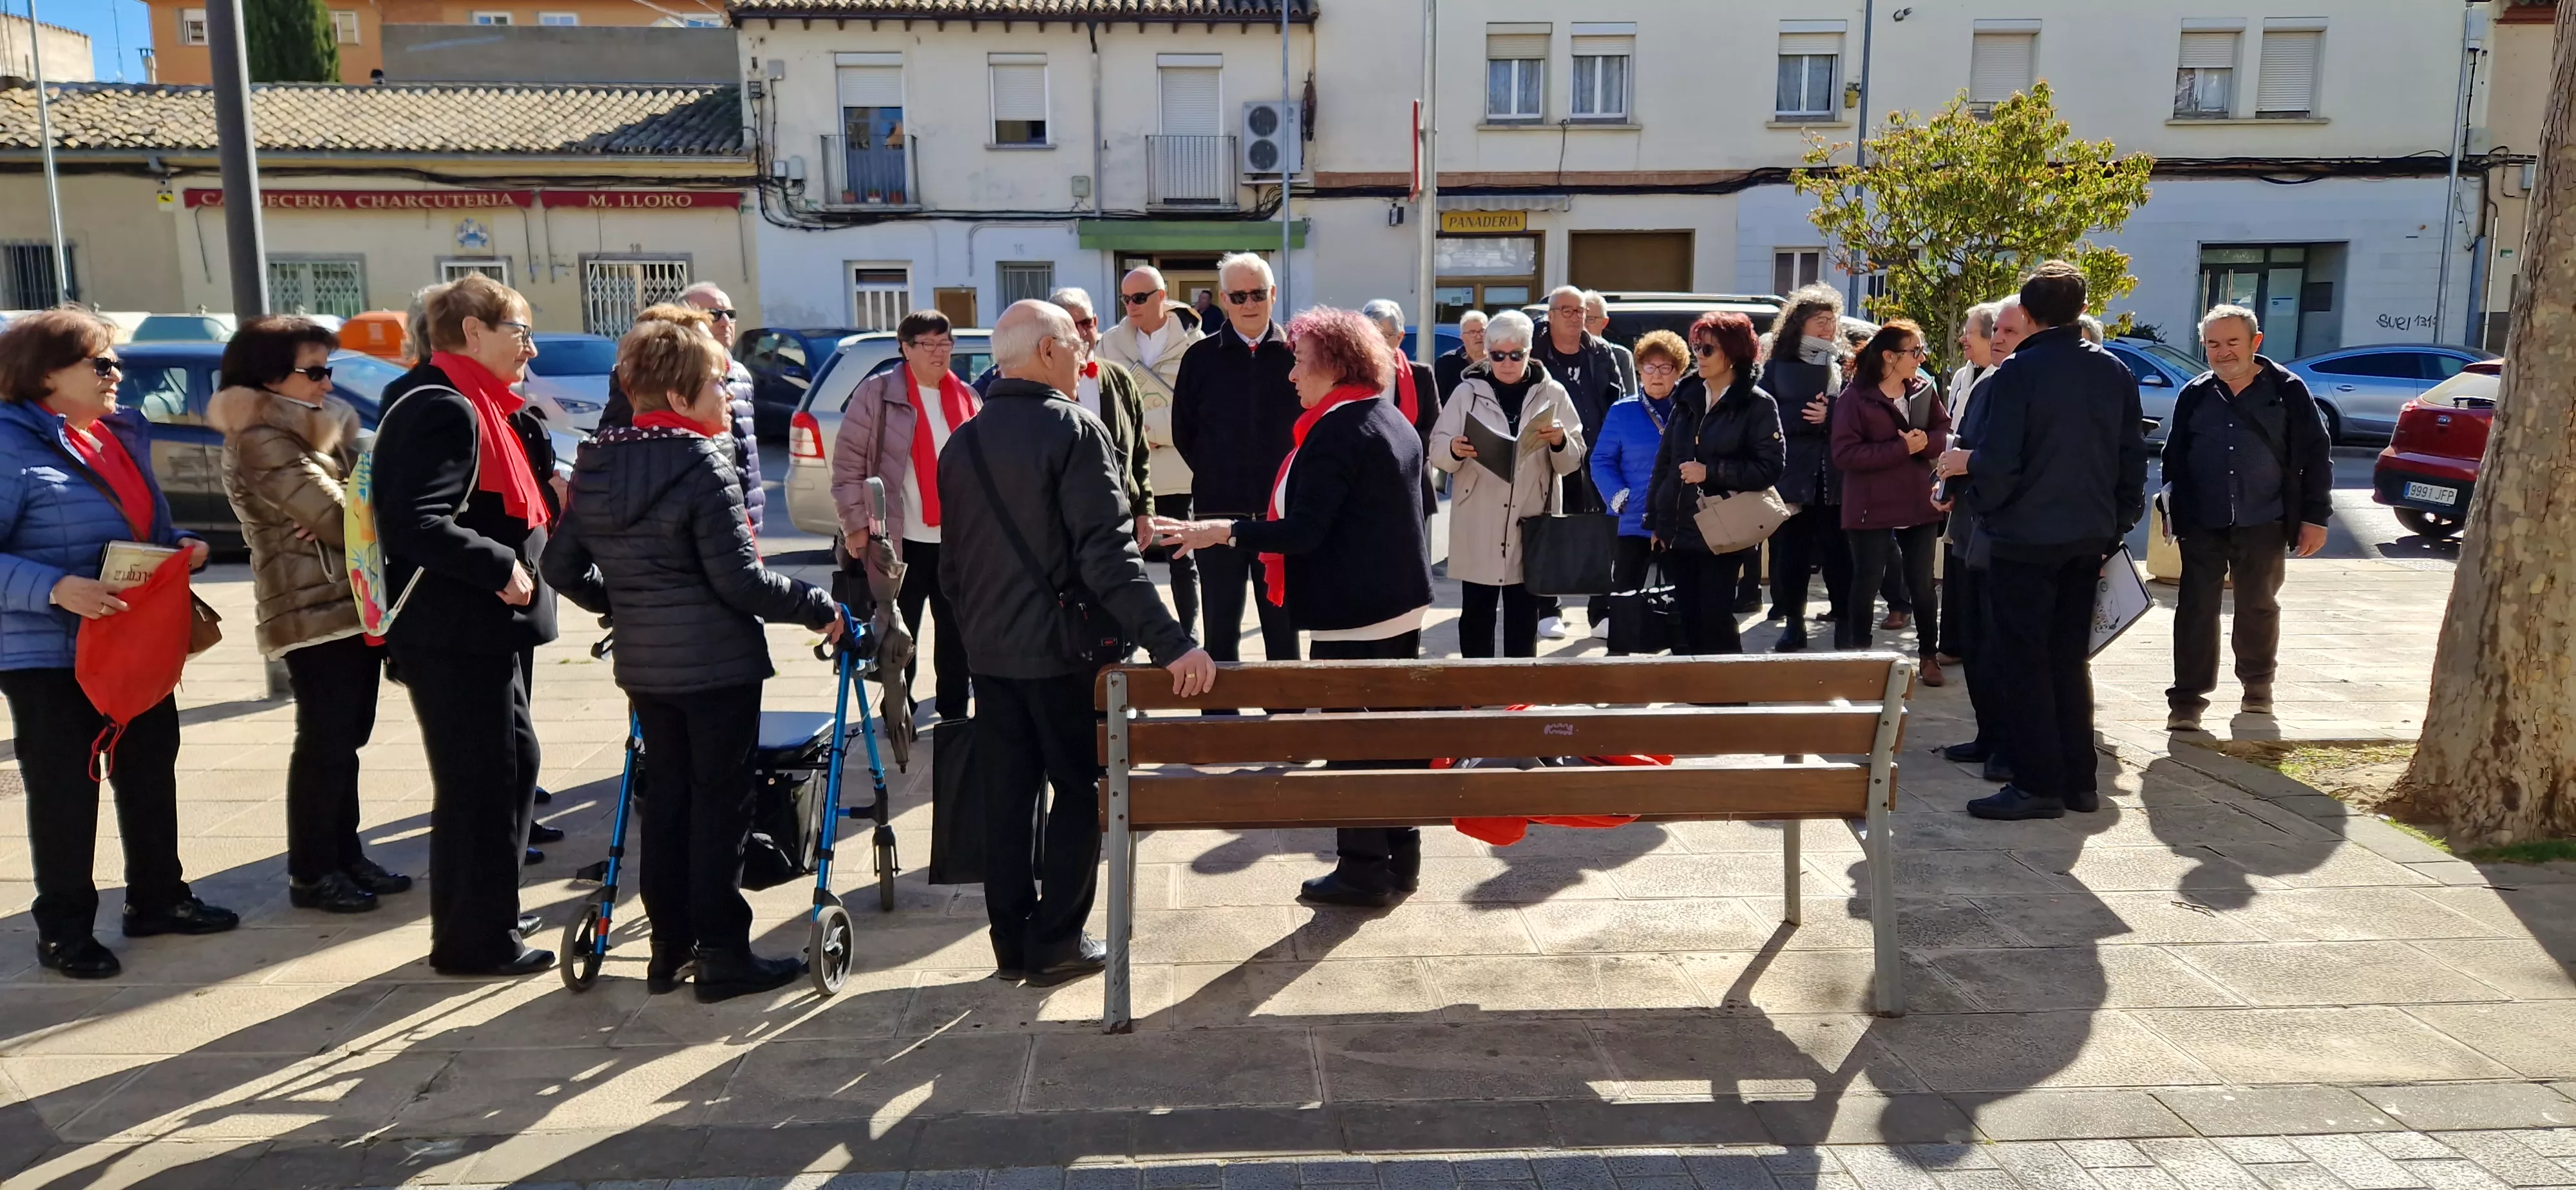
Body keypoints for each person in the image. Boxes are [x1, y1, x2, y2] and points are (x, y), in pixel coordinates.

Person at [543, 319, 838, 1001]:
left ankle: (668, 947)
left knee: (668, 802)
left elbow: (561, 566)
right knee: (721, 807)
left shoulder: (598, 459)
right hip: (716, 665)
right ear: (679, 396)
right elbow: (743, 583)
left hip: (646, 666)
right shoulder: (702, 462)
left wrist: (625, 605)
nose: (727, 397)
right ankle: (723, 954)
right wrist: (817, 605)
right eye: (715, 384)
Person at [940, 300, 1216, 987]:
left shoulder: (962, 442)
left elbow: (953, 570)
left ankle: (1012, 944)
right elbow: (1109, 559)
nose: (1083, 356)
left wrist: (978, 638)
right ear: (1044, 352)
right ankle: (1057, 941)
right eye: (1072, 344)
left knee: (1008, 800)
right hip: (1065, 655)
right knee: (1080, 789)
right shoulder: (1074, 429)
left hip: (992, 654)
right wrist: (1174, 644)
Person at [1157, 307, 1432, 907]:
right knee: (1393, 739)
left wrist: (1222, 531)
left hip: (1357, 610)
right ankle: (1401, 856)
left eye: (1300, 362)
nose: (1291, 375)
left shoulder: (1340, 428)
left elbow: (1304, 531)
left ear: (1334, 366)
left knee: (1353, 746)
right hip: (1397, 603)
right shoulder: (1384, 414)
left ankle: (1363, 870)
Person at [0, 310, 233, 979]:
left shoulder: (113, 436)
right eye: (101, 363)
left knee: (150, 769)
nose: (117, 374)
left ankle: (159, 899)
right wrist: (54, 588)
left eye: (116, 362)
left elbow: (144, 529)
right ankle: (65, 931)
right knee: (66, 792)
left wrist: (179, 548)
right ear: (47, 374)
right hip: (49, 653)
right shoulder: (9, 443)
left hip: (131, 643)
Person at [374, 273, 560, 976]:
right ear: (474, 332)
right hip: (455, 630)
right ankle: (473, 940)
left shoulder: (468, 398)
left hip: (476, 630)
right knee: (479, 782)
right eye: (521, 332)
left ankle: (487, 911)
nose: (530, 349)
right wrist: (499, 564)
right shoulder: (444, 405)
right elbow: (415, 521)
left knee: (510, 765)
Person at [209, 316, 409, 915]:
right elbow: (341, 521)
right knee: (325, 741)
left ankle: (346, 855)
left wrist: (356, 500)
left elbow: (362, 501)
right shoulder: (261, 436)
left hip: (348, 600)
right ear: (270, 377)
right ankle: (313, 871)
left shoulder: (315, 430)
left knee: (347, 738)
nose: (328, 383)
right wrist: (355, 503)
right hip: (309, 606)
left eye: (329, 369)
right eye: (315, 371)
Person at [1938, 262, 2149, 821]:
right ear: (2083, 311)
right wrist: (2115, 526)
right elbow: (2132, 459)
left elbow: (2000, 461)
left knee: (2025, 663)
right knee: (2068, 660)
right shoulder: (2113, 369)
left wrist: (1979, 490)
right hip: (2088, 535)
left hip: (2024, 537)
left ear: (2028, 316)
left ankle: (2037, 784)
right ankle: (2079, 782)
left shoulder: (2018, 372)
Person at [2161, 304, 2334, 733]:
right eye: (2213, 344)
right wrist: (2173, 511)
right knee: (2195, 609)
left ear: (2255, 342)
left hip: (2266, 518)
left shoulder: (2288, 390)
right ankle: (2187, 702)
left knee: (2258, 606)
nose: (2223, 352)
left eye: (2232, 342)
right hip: (2202, 520)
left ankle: (2257, 689)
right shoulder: (2195, 394)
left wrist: (2315, 517)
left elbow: (2317, 455)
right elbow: (2173, 456)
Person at [831, 310, 980, 722]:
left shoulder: (968, 396)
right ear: (906, 348)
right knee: (899, 629)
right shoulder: (877, 393)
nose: (938, 352)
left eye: (945, 343)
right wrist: (856, 527)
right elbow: (848, 466)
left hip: (957, 539)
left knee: (958, 631)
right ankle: (899, 711)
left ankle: (954, 714)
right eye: (928, 344)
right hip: (898, 539)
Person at [1170, 251, 1302, 666]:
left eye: (1257, 294)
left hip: (1281, 518)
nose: (1249, 304)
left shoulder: (1299, 355)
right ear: (1224, 299)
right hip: (1216, 513)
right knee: (1221, 632)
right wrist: (1218, 473)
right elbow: (1183, 432)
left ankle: (1286, 705)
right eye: (1238, 296)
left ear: (1273, 295)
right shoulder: (1200, 357)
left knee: (1284, 632)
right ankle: (1221, 706)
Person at [1428, 309, 1582, 659]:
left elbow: (1573, 460)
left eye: (1516, 355)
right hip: (1479, 517)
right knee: (1476, 615)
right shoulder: (1466, 393)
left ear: (1530, 352)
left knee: (1523, 617)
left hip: (1531, 520)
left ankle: (1520, 686)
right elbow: (1437, 449)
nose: (1507, 363)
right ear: (1487, 353)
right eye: (1497, 355)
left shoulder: (1553, 392)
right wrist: (1454, 448)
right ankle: (1475, 686)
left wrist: (1560, 441)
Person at [1641, 312, 1783, 656]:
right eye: (1697, 348)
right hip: (1680, 528)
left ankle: (1727, 686)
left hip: (1723, 528)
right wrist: (1656, 520)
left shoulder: (1758, 405)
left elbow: (1770, 469)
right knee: (1688, 619)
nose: (1699, 356)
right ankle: (1695, 685)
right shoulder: (1687, 396)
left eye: (1708, 349)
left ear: (1733, 353)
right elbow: (1665, 461)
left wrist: (1711, 472)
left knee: (1716, 618)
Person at [1937, 296, 2027, 783]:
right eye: (1993, 332)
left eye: (2006, 333)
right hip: (1969, 528)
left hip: (2001, 532)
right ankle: (1988, 735)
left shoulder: (2020, 385)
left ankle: (2007, 747)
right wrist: (1949, 482)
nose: (1996, 341)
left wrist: (1966, 463)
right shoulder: (1983, 380)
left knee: (1997, 643)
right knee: (1973, 638)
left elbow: (2004, 457)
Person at [1831, 320, 1950, 683]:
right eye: (1914, 351)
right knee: (1867, 580)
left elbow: (1943, 431)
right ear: (1889, 356)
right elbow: (1845, 454)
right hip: (1871, 503)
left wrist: (1925, 443)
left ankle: (1928, 656)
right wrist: (1902, 448)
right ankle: (1860, 657)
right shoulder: (1855, 398)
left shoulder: (1923, 389)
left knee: (1922, 583)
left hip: (1918, 499)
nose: (1921, 358)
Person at [1099, 266, 1208, 638]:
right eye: (1126, 299)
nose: (1131, 305)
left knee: (1182, 556)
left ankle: (1189, 634)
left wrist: (1153, 429)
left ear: (1162, 297)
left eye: (1140, 298)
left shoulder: (1194, 344)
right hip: (1131, 471)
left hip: (1178, 467)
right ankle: (1134, 639)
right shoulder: (1109, 343)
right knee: (1132, 560)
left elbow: (1202, 408)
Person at [1762, 285, 1853, 650]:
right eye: (1821, 321)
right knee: (1792, 554)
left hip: (1834, 475)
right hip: (1794, 475)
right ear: (1799, 324)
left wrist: (1832, 415)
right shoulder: (1776, 366)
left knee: (1839, 552)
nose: (1829, 328)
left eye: (1833, 321)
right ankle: (1794, 624)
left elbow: (1861, 411)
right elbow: (1762, 413)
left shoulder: (1844, 366)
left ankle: (1844, 621)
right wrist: (1802, 417)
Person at [1530, 286, 1620, 639]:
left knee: (1600, 533)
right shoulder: (1534, 352)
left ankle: (1601, 612)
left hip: (1596, 454)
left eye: (1579, 311)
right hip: (1548, 452)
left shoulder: (1601, 351)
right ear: (1550, 316)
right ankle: (1547, 609)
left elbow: (1615, 400)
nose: (1574, 318)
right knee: (1549, 529)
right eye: (1565, 311)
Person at [1590, 329, 1686, 653]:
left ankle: (1680, 653)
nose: (1657, 375)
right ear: (1639, 369)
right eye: (1649, 367)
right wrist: (1619, 496)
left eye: (1666, 368)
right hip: (1632, 517)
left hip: (1678, 518)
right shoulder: (1622, 410)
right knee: (1624, 591)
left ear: (1679, 371)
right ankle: (1621, 656)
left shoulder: (1690, 409)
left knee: (1680, 591)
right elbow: (1601, 459)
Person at [1048, 287, 1153, 545]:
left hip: (1118, 517)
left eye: (1086, 323)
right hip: (1060, 523)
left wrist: (1145, 510)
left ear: (1095, 322)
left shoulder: (1119, 379)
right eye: (1070, 326)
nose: (1081, 333)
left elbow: (1139, 454)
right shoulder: (1041, 383)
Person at [1936, 301, 2004, 666]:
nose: (1963, 338)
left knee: (1973, 576)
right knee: (1956, 569)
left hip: (1982, 496)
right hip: (1959, 489)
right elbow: (1956, 431)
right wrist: (1944, 483)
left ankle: (1969, 646)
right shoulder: (1966, 375)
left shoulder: (2001, 380)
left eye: (1970, 332)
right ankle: (1954, 643)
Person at [1359, 299, 1442, 516]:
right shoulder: (1349, 377)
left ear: (1400, 337)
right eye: (1370, 335)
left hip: (1410, 484)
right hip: (1362, 486)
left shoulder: (1421, 376)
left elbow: (1434, 430)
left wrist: (1397, 453)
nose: (1376, 343)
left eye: (1384, 336)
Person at [1583, 291, 1639, 395]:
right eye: (1581, 319)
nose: (1584, 325)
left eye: (1590, 319)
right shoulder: (1565, 354)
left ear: (1604, 323)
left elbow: (1629, 399)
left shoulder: (1620, 356)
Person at [1435, 309, 1487, 402]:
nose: (1479, 336)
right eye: (1472, 332)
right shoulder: (1446, 363)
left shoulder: (1498, 360)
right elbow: (1438, 400)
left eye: (1482, 331)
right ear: (1462, 337)